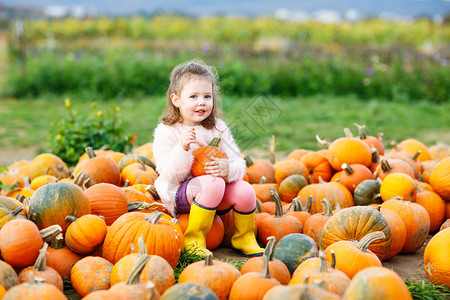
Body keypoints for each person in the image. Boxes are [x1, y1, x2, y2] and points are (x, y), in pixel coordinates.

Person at [152, 59, 264, 257]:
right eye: (193, 96)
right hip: (178, 193)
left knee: (245, 190)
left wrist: (228, 168)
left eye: (207, 96)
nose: (201, 102)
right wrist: (182, 148)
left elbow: (238, 163)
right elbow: (168, 174)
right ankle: (194, 240)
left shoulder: (218, 128)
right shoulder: (167, 131)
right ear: (176, 100)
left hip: (215, 192)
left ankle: (244, 237)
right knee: (212, 184)